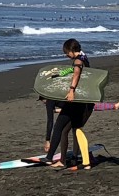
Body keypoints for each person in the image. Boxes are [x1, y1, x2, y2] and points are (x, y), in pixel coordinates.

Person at [42, 39, 94, 169]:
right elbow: (71, 72)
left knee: (59, 127)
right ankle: (68, 159)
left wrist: (71, 90)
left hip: (75, 100)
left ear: (71, 50)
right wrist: (58, 74)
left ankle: (50, 158)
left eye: (66, 52)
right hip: (83, 101)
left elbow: (76, 73)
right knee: (69, 130)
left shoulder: (78, 61)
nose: (66, 55)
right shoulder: (84, 57)